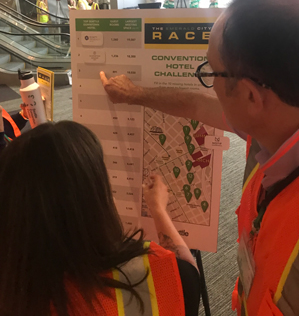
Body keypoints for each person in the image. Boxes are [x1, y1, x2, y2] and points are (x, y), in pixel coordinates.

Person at [100, 0, 299, 315]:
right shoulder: (273, 127)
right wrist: (133, 95)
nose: (207, 82)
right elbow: (196, 106)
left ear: (251, 96)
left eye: (212, 72)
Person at [0, 121, 200, 316]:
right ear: (94, 201)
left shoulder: (14, 289)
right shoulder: (153, 275)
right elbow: (188, 277)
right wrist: (158, 211)